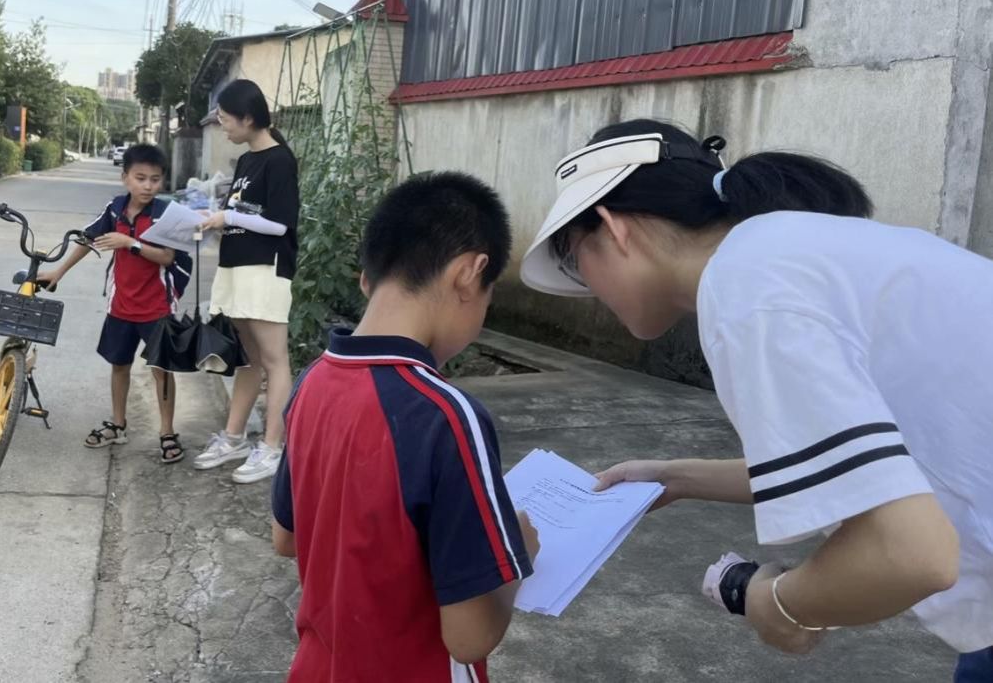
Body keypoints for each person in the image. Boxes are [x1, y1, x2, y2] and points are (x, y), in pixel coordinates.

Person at [521, 119, 992, 678]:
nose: (587, 291)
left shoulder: (748, 292)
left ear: (613, 228)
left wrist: (783, 604)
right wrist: (674, 477)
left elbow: (912, 554)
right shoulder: (783, 254)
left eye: (573, 261)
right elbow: (867, 465)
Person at [271, 172, 539, 682]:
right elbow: (469, 638)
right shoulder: (447, 416)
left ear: (367, 278)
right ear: (470, 274)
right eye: (489, 297)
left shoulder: (311, 383)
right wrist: (519, 554)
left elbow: (287, 538)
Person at [37, 144, 187, 464]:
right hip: (121, 305)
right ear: (125, 178)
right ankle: (118, 424)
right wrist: (58, 271)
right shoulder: (115, 209)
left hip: (158, 308)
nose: (148, 186)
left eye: (155, 179)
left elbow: (167, 257)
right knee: (119, 366)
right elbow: (88, 239)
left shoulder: (165, 214)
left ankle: (167, 432)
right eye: (140, 178)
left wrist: (130, 243)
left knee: (161, 370)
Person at [193, 79, 300, 484]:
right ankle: (234, 438)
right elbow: (243, 215)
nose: (222, 126)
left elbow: (280, 225)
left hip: (265, 270)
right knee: (251, 359)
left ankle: (272, 447)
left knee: (274, 360)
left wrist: (229, 217)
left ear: (248, 118)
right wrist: (213, 220)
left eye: (225, 119)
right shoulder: (246, 161)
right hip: (236, 267)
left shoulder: (280, 160)